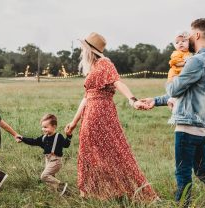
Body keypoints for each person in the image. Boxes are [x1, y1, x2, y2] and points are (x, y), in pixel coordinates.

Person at [141, 18, 205, 208]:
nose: (187, 38)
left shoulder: (196, 61)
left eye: (190, 34)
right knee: (202, 170)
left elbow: (174, 90)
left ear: (197, 35)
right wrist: (155, 101)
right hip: (204, 128)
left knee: (182, 173)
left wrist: (171, 76)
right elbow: (186, 92)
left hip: (188, 128)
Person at [65, 32, 157, 201]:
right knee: (90, 152)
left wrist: (132, 100)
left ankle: (121, 190)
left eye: (83, 48)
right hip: (90, 113)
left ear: (89, 50)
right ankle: (93, 192)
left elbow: (117, 82)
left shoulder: (104, 63)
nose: (81, 51)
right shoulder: (93, 68)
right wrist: (73, 122)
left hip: (101, 113)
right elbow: (86, 98)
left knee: (113, 151)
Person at [18, 114, 71, 196]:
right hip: (48, 160)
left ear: (54, 127)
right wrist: (22, 138)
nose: (43, 129)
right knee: (50, 178)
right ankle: (61, 192)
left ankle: (61, 185)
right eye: (42, 127)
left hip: (56, 161)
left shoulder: (58, 136)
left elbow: (66, 145)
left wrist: (68, 136)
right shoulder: (44, 138)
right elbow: (33, 141)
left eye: (46, 127)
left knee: (44, 176)